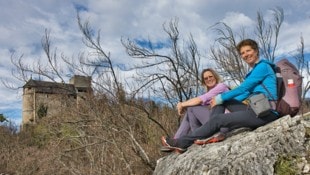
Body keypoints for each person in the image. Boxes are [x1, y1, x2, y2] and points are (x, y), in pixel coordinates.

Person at [161, 39, 279, 153]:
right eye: (242, 53)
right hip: (256, 108)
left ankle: (182, 143)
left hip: (266, 113)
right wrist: (220, 101)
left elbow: (243, 88)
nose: (245, 55)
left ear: (256, 51)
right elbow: (245, 94)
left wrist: (220, 97)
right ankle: (214, 132)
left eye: (248, 51)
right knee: (220, 103)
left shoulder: (263, 67)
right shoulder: (253, 72)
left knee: (219, 115)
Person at [173, 68, 230, 139]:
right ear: (204, 82)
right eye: (206, 78)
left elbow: (199, 100)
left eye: (210, 76)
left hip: (224, 122)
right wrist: (184, 107)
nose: (209, 79)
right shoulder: (210, 93)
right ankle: (177, 138)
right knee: (190, 109)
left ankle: (195, 135)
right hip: (216, 121)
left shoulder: (221, 86)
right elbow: (198, 104)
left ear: (215, 77)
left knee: (191, 108)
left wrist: (181, 104)